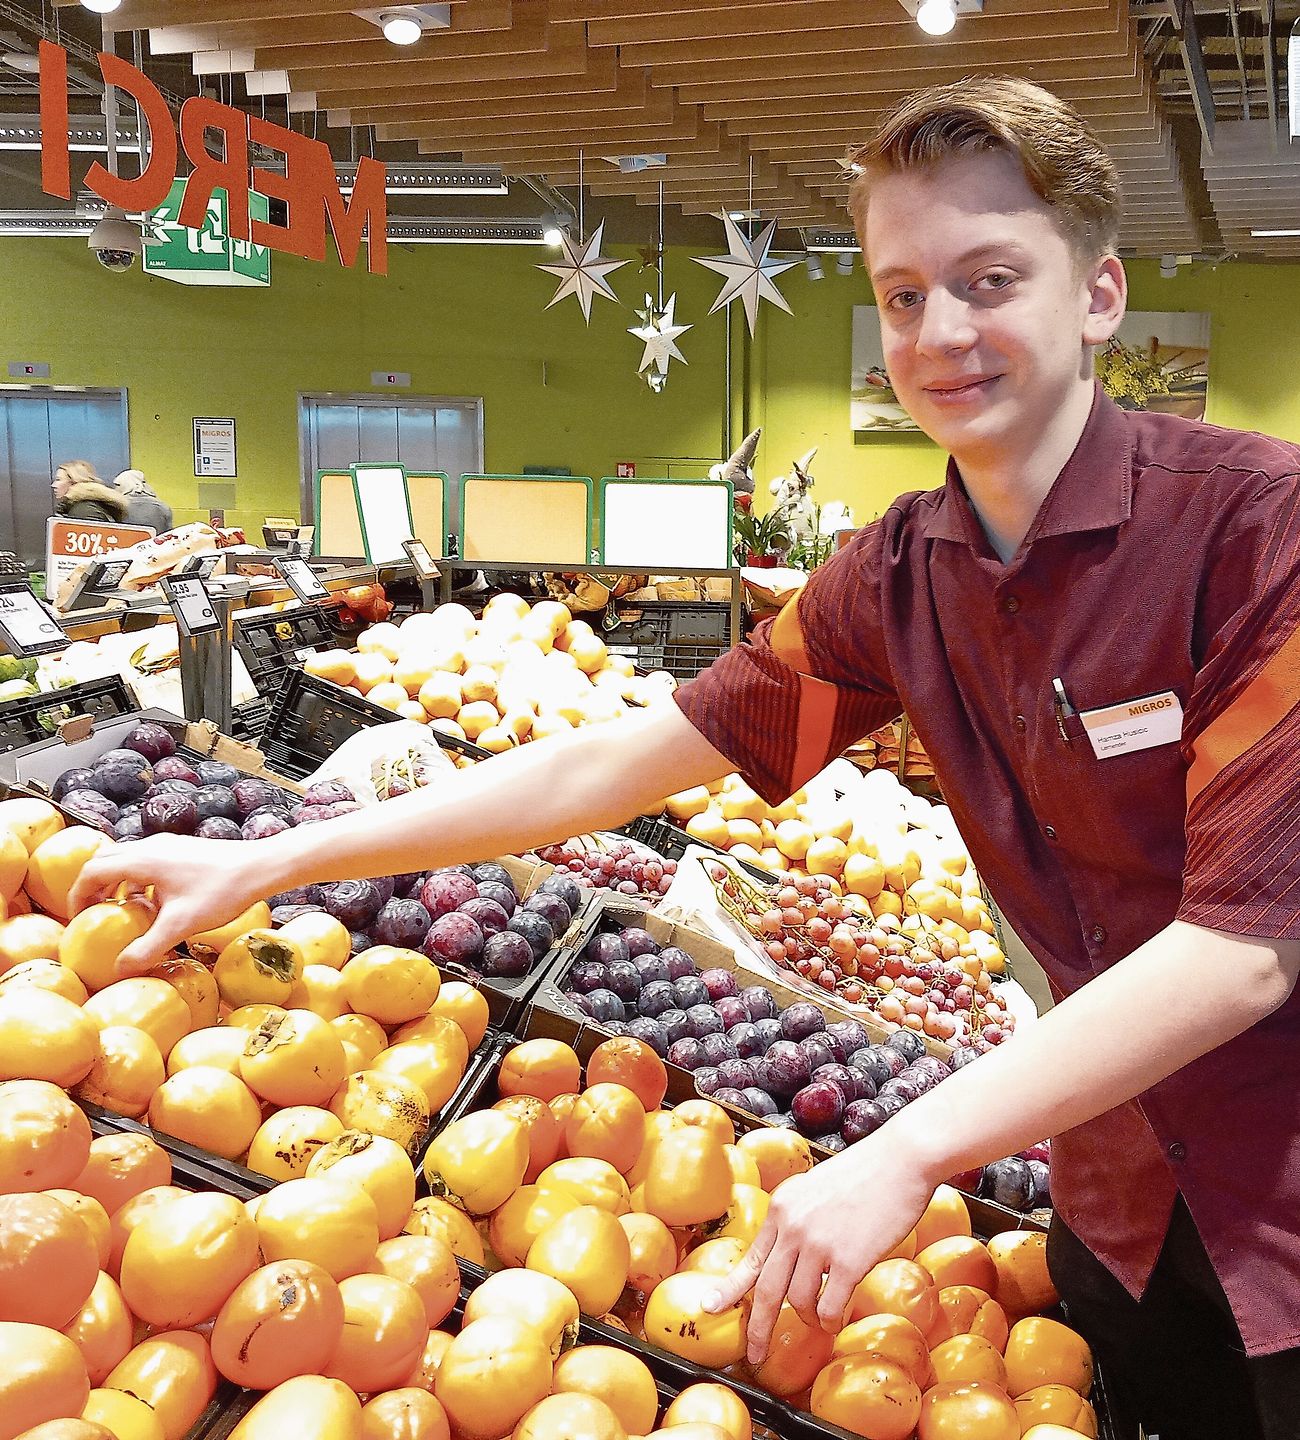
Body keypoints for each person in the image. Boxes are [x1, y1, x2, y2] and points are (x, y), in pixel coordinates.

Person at [69, 78, 1300, 1438]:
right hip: (1114, 1205)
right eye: (901, 294)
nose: (941, 331)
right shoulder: (901, 574)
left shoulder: (1260, 536)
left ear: (1100, 296)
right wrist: (275, 856)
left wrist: (913, 1145)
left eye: (990, 278)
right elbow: (618, 764)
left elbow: (1243, 945)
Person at [51, 460, 127, 523]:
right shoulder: (84, 506)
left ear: (75, 481)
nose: (53, 485)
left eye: (58, 480)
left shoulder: (84, 511)